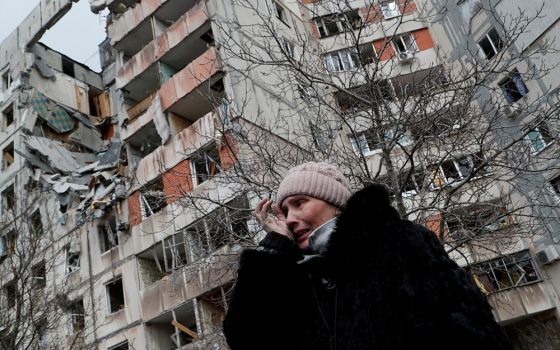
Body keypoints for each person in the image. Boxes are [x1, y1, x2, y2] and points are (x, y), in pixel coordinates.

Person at [222, 162, 510, 350]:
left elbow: (470, 327)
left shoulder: (396, 240)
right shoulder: (293, 276)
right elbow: (244, 338)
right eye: (284, 212)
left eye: (300, 203)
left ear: (334, 203)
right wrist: (273, 248)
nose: (291, 218)